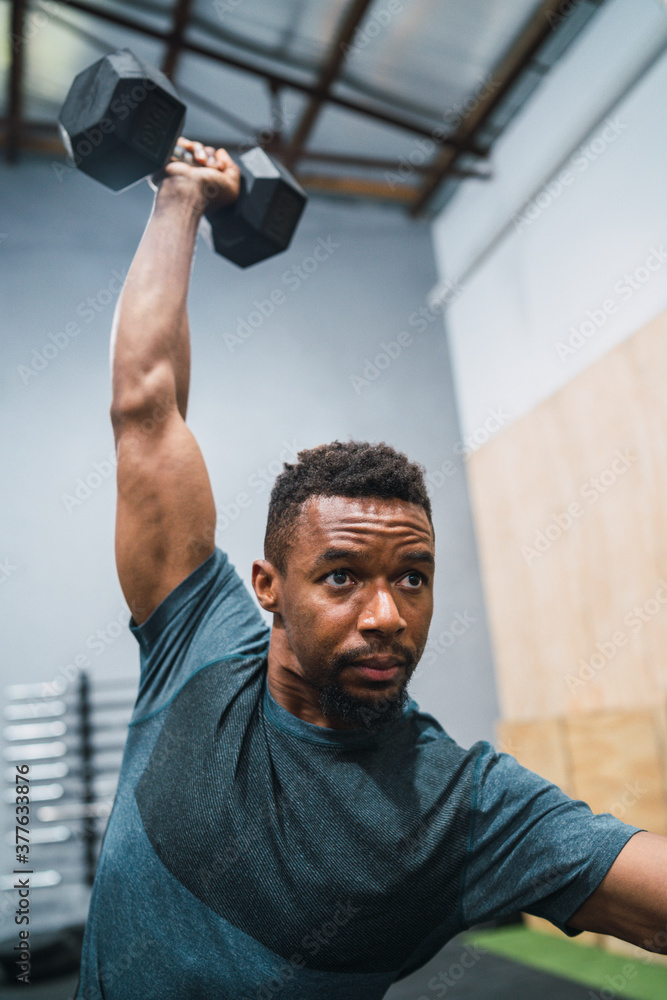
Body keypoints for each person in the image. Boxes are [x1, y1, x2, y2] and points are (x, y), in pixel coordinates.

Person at [75, 140, 667, 1000]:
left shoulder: (461, 807)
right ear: (267, 587)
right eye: (342, 576)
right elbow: (144, 405)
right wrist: (181, 193)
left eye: (414, 577)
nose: (388, 614)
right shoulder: (195, 642)